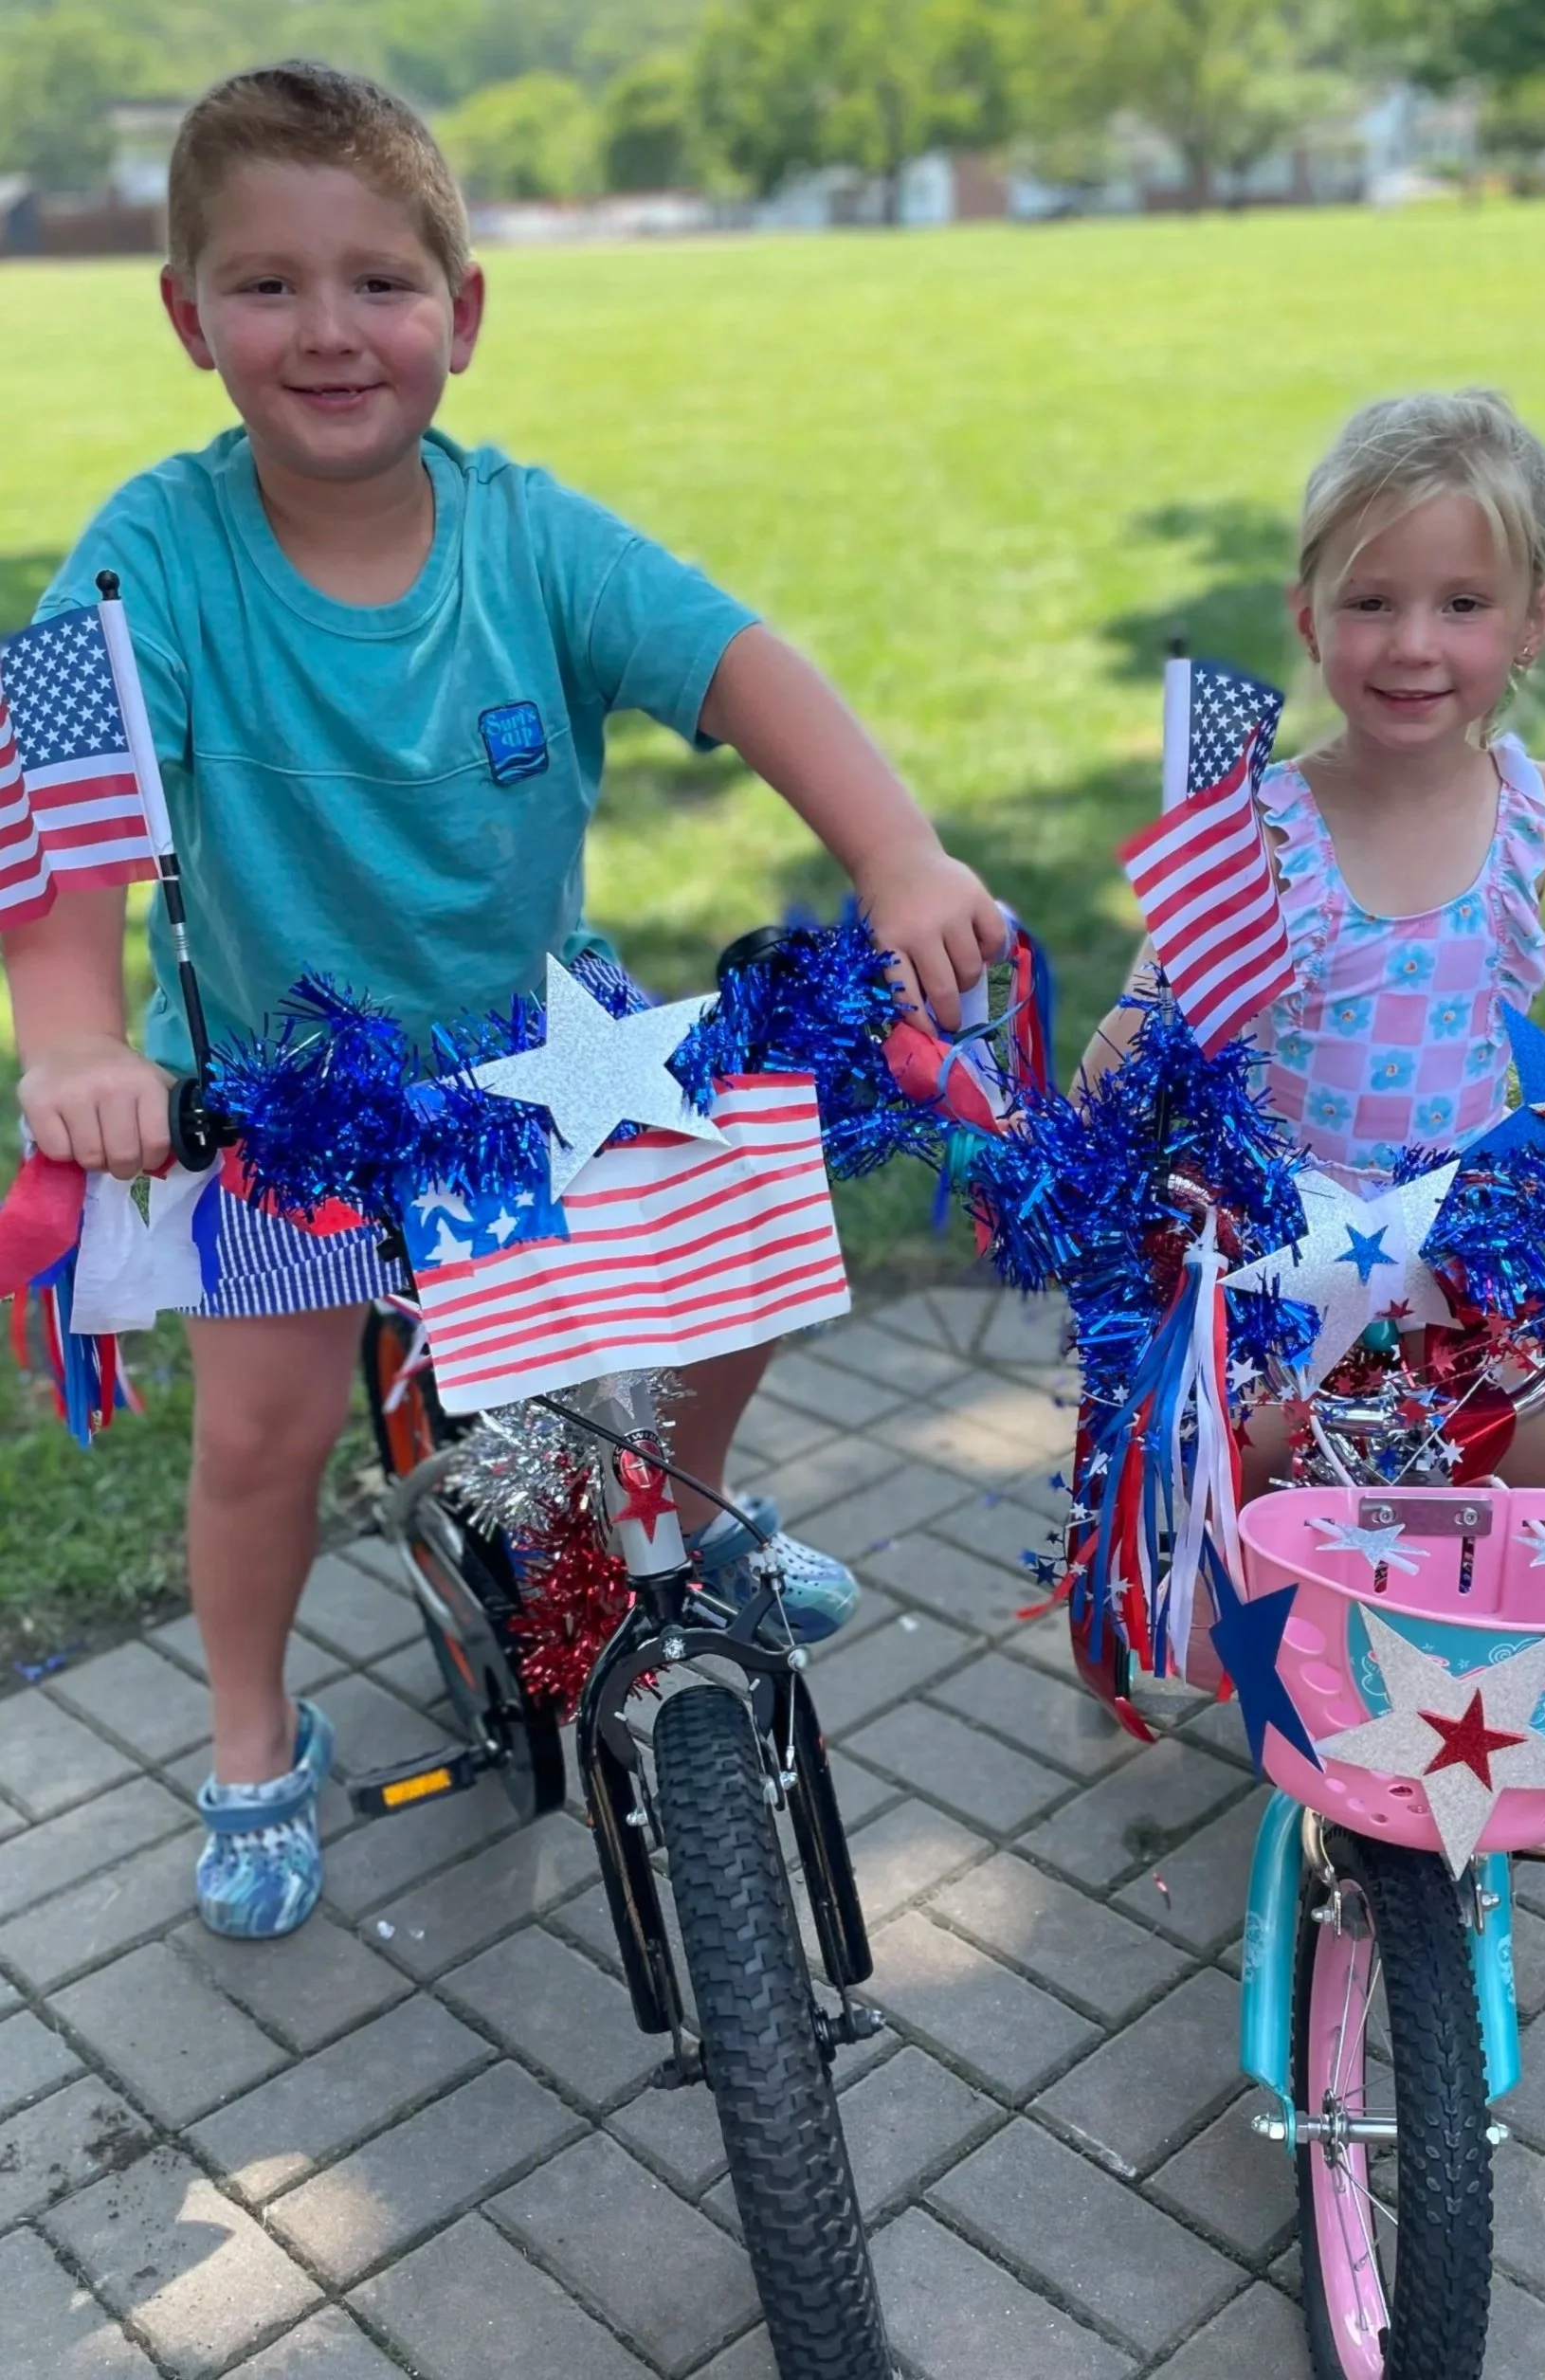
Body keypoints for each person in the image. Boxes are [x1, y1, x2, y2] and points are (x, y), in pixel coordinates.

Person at [1, 62, 1005, 1940]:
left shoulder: (532, 534)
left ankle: (685, 1511)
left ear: (462, 312)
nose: (329, 328)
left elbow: (739, 660)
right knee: (261, 1434)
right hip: (277, 1098)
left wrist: (899, 856)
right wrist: (70, 1034)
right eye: (268, 284)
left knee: (739, 1248)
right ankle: (243, 1727)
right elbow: (61, 822)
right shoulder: (150, 555)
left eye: (381, 281)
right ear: (184, 314)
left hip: (548, 1045)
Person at [1083, 388, 1545, 1496]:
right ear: (1309, 617)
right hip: (1287, 1274)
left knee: (1515, 1523)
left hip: (1473, 1273)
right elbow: (1133, 1041)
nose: (1413, 645)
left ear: (1534, 623)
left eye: (1463, 603)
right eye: (1371, 601)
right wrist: (1094, 1153)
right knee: (1266, 1568)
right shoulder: (1255, 828)